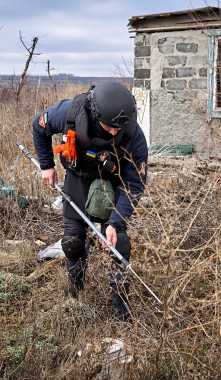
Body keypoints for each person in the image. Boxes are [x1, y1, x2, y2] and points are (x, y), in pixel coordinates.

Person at [32, 81, 148, 321]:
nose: (115, 132)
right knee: (73, 242)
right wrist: (47, 166)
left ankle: (121, 311)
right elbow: (39, 126)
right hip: (79, 180)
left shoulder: (133, 134)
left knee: (119, 246)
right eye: (109, 126)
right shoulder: (69, 113)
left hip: (113, 185)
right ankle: (76, 295)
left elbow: (135, 184)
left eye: (120, 127)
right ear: (95, 114)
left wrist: (115, 223)